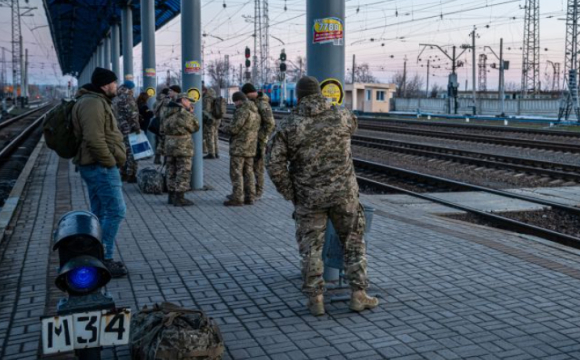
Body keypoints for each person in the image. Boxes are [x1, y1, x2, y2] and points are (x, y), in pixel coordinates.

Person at [266, 76, 379, 316]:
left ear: (298, 96)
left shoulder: (288, 124)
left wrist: (290, 192)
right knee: (354, 244)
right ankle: (358, 295)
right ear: (319, 92)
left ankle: (315, 299)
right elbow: (354, 126)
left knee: (310, 249)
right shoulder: (342, 115)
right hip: (344, 194)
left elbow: (273, 163)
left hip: (309, 197)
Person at [71, 67, 128, 278]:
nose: (117, 86)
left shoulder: (95, 101)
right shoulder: (93, 103)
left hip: (95, 166)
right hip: (100, 167)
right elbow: (94, 138)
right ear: (105, 85)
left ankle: (96, 255)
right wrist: (110, 162)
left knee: (101, 212)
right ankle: (104, 257)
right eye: (114, 82)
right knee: (116, 211)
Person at [221, 92, 260, 206]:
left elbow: (234, 128)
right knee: (249, 172)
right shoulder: (255, 111)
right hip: (251, 146)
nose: (235, 104)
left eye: (235, 102)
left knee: (236, 172)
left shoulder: (242, 111)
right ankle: (250, 196)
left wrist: (224, 128)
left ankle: (237, 198)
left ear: (239, 100)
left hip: (239, 147)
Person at [162, 92, 199, 207]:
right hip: (182, 146)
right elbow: (195, 127)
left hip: (169, 145)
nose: (189, 104)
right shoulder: (184, 114)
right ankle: (180, 197)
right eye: (188, 101)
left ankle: (171, 196)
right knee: (183, 171)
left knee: (171, 170)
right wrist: (192, 114)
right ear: (182, 100)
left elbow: (161, 128)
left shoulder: (166, 112)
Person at [241, 83, 275, 200]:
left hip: (260, 141)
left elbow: (270, 124)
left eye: (246, 95)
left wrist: (260, 136)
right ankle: (250, 191)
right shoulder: (255, 102)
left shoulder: (262, 104)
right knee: (251, 166)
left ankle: (258, 192)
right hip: (253, 140)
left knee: (258, 167)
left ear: (249, 92)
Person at [113, 80, 141, 183]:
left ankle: (123, 173)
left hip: (118, 129)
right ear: (131, 89)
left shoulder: (116, 97)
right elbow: (132, 115)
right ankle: (131, 175)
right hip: (129, 129)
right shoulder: (127, 98)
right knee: (132, 152)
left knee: (122, 151)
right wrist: (137, 128)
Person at [154, 85, 181, 165]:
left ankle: (162, 160)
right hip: (166, 126)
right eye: (169, 91)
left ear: (176, 92)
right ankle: (166, 161)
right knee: (165, 144)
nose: (169, 92)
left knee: (163, 143)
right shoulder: (167, 100)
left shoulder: (176, 100)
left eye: (171, 91)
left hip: (168, 126)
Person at [202, 86, 218, 159]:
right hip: (216, 118)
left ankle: (211, 153)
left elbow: (207, 110)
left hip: (210, 119)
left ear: (204, 90)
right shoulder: (213, 94)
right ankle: (216, 152)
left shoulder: (207, 98)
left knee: (209, 136)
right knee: (214, 135)